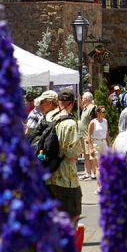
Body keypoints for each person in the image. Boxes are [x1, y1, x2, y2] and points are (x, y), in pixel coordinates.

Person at [45, 90, 82, 227]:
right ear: (72, 103)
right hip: (67, 177)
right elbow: (72, 153)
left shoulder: (49, 117)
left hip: (49, 174)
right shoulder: (70, 124)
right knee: (73, 215)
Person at [87, 106, 111, 182]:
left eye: (105, 112)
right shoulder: (93, 122)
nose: (105, 114)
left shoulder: (105, 121)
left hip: (103, 143)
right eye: (103, 112)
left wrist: (109, 145)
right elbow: (89, 136)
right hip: (95, 144)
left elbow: (107, 134)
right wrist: (91, 148)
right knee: (98, 166)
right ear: (98, 113)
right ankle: (99, 186)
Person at [79, 92, 97, 179]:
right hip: (83, 135)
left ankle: (94, 173)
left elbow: (94, 122)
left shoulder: (92, 108)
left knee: (90, 155)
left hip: (88, 135)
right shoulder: (85, 108)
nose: (82, 100)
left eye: (82, 98)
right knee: (85, 155)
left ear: (86, 99)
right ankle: (87, 172)